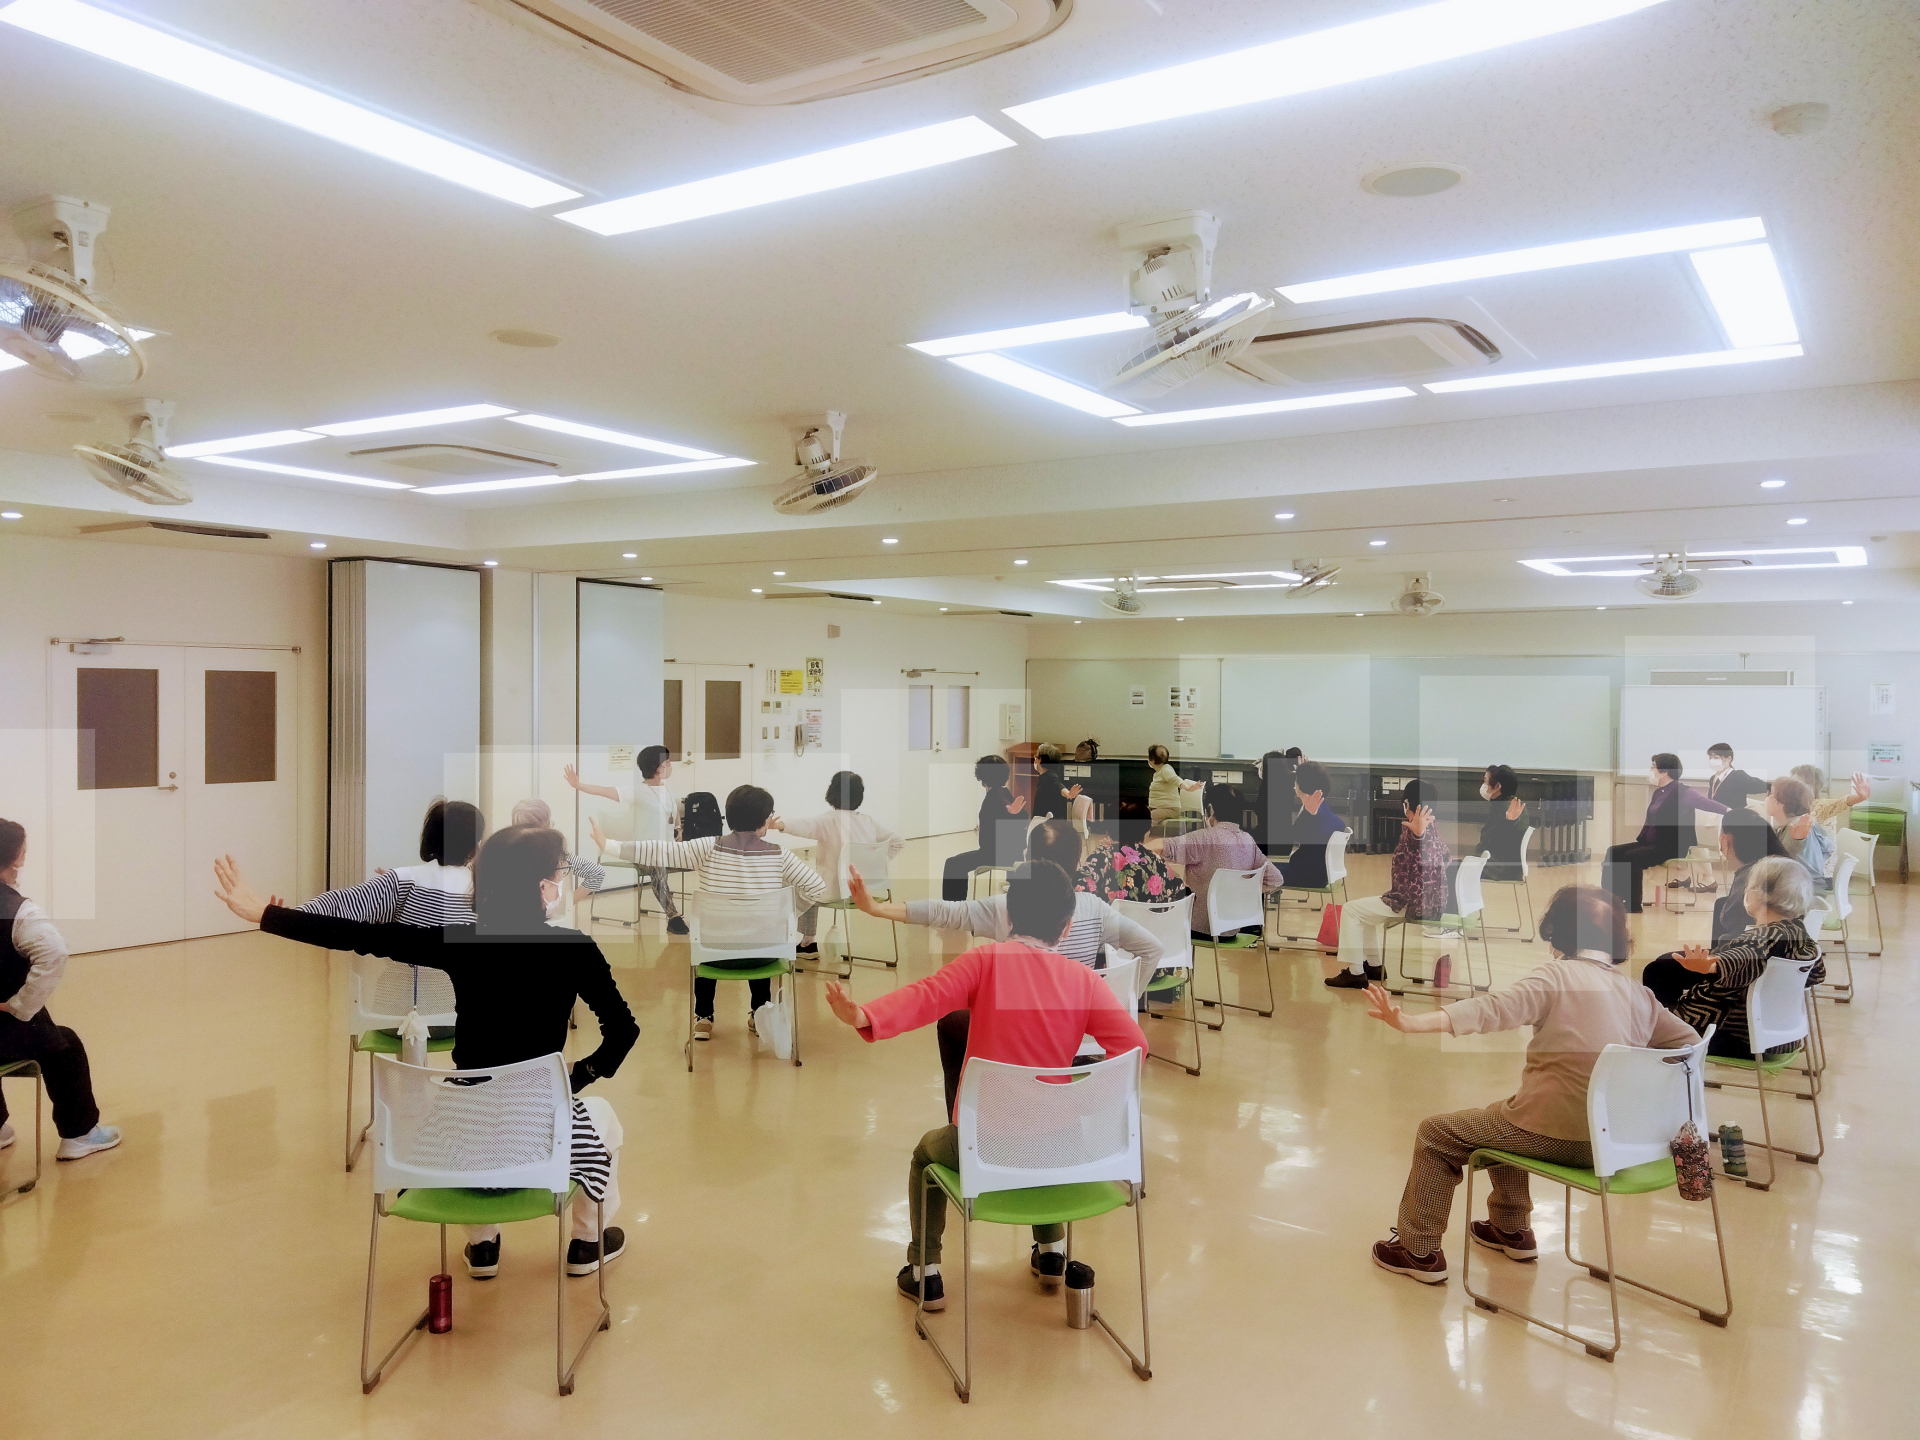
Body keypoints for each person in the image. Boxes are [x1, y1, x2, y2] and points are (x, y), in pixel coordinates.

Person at [215, 826, 638, 1278]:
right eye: (557, 872)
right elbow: (623, 1031)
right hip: (538, 1144)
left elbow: (358, 934)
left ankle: (483, 1245)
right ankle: (587, 1243)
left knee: (465, 1113)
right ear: (539, 885)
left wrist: (266, 914)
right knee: (603, 1120)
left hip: (457, 1150)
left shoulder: (460, 941)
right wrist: (578, 1075)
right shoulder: (574, 949)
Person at [821, 861, 1148, 1310]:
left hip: (986, 1148)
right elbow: (1134, 1049)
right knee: (1044, 1137)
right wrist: (1079, 1100)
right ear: (1067, 927)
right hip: (1060, 1150)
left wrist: (865, 1015)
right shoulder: (1084, 981)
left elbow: (927, 996)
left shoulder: (985, 961)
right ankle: (1052, 1254)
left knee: (925, 1155)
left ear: (1008, 916)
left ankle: (924, 1273)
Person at [1366, 885, 1700, 1284]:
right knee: (1502, 1114)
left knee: (1436, 1134)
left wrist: (1411, 1023)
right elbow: (1691, 1046)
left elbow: (1491, 1009)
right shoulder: (1638, 994)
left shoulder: (1556, 976)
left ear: (1558, 931)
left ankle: (1417, 1249)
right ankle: (1510, 1228)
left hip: (1556, 1137)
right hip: (1614, 1145)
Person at [592, 784, 825, 1040]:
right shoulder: (780, 855)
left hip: (714, 955)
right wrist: (787, 914)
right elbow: (816, 887)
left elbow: (660, 850)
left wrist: (610, 845)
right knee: (759, 935)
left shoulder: (707, 848)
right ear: (763, 821)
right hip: (763, 957)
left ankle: (703, 1016)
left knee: (706, 937)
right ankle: (758, 1013)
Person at [0, 820, 121, 1162]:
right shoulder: (18, 911)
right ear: (17, 856)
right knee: (64, 1044)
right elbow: (54, 953)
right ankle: (80, 1134)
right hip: (4, 1028)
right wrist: (21, 1007)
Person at [1640, 856, 1823, 1059]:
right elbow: (1816, 975)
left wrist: (1713, 966)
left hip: (1736, 1036)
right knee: (1663, 968)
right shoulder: (1801, 934)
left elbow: (1745, 957)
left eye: (1749, 886)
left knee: (1653, 993)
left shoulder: (1760, 939)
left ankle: (1664, 1033)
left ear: (1759, 893)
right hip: (1781, 1036)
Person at [1326, 780, 1450, 990]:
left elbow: (1418, 849)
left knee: (1350, 910)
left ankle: (1355, 973)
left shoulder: (1416, 832)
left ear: (1407, 805)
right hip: (1430, 905)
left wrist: (1417, 835)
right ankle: (1374, 966)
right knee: (1364, 914)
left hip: (1410, 904)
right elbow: (1444, 858)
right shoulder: (1434, 831)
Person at [771, 771, 904, 960]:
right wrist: (875, 864)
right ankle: (806, 942)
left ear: (832, 792)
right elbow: (898, 842)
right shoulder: (867, 821)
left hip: (835, 892)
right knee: (809, 885)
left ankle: (806, 942)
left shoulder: (830, 820)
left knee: (799, 884)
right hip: (866, 890)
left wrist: (779, 825)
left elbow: (805, 826)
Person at [300, 798, 483, 925]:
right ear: (473, 848)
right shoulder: (484, 891)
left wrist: (287, 917)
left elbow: (337, 904)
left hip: (403, 972)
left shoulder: (404, 880)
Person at [566, 744, 687, 934]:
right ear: (656, 768)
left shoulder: (667, 789)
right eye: (667, 762)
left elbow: (674, 813)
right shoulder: (637, 791)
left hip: (669, 850)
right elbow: (605, 791)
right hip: (644, 853)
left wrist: (678, 829)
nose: (670, 765)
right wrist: (579, 785)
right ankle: (674, 917)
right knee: (657, 864)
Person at [1145, 784, 1283, 937]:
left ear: (1210, 809)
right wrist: (1242, 894)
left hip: (1198, 926)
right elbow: (1276, 879)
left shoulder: (1204, 838)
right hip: (1233, 928)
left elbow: (1158, 846)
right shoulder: (1248, 840)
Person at [1601, 753, 1728, 915]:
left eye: (1653, 767)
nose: (1650, 770)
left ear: (1664, 772)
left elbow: (1706, 803)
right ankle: (1609, 898)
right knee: (1613, 851)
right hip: (1653, 843)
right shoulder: (1658, 793)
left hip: (1671, 846)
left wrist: (1730, 811)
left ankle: (1632, 905)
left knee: (1631, 857)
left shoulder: (1683, 792)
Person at [939, 755, 1029, 902]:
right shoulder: (1004, 792)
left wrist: (1009, 811)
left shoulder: (995, 796)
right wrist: (1012, 812)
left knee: (953, 864)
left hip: (994, 854)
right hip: (1012, 853)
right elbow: (1019, 814)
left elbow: (1004, 807)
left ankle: (954, 907)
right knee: (955, 863)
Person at [508, 798, 607, 902]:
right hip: (550, 910)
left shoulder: (505, 853)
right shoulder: (558, 856)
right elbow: (597, 873)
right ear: (547, 826)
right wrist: (567, 903)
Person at [1076, 822, 1187, 906]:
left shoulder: (1101, 856)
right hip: (1151, 929)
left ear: (1107, 831)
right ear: (1146, 833)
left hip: (1111, 928)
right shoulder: (1157, 861)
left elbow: (1077, 890)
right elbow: (1182, 892)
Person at [1277, 761, 1349, 890]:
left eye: (1296, 780)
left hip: (1308, 876)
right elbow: (1339, 824)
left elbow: (1295, 836)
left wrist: (1309, 814)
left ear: (1301, 785)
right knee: (1265, 868)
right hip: (1319, 874)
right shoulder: (1321, 807)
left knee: (1259, 872)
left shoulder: (1314, 812)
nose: (1294, 784)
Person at [1792, 765, 1870, 882]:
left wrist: (1859, 798)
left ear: (1809, 786)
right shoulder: (1795, 808)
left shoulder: (1820, 806)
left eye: (1794, 784)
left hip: (1821, 874)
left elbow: (1840, 803)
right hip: (1805, 867)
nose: (1789, 787)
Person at [1766, 776, 1833, 891]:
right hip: (1801, 885)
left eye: (1771, 794)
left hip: (1803, 890)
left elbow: (1792, 848)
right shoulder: (1789, 824)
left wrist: (1798, 840)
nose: (1767, 797)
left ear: (1782, 803)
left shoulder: (1797, 824)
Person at [1475, 764, 1528, 882]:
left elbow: (1487, 842)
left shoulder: (1503, 809)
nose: (1483, 786)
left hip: (1497, 869)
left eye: (1486, 782)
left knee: (1449, 869)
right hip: (1509, 868)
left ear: (1498, 786)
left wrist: (1473, 859)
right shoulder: (1513, 805)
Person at [1145, 744, 1202, 831]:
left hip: (1170, 809)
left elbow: (1175, 779)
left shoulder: (1166, 770)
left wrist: (1188, 788)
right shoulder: (1159, 772)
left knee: (1144, 818)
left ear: (1152, 760)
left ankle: (1142, 838)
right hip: (1160, 808)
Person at [1705, 743, 1770, 810]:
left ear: (1728, 759)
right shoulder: (1713, 779)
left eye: (1716, 758)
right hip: (1716, 815)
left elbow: (1761, 786)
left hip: (1734, 815)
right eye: (1710, 758)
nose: (1712, 761)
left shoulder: (1738, 776)